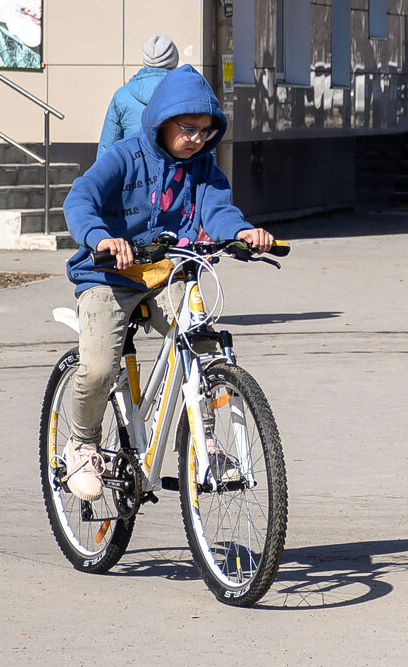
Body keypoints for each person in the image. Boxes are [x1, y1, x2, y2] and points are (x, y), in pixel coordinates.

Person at [61, 65, 275, 500]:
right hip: (107, 273)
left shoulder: (205, 170)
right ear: (162, 120)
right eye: (187, 127)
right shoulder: (124, 157)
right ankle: (81, 445)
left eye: (205, 130)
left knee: (203, 343)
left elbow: (219, 211)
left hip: (165, 273)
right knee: (101, 366)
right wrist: (101, 237)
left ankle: (204, 441)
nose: (196, 138)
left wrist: (241, 233)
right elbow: (79, 198)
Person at [97, 34, 180, 158]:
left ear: (145, 60)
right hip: (180, 174)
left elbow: (107, 149)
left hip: (134, 172)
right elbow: (205, 146)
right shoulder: (192, 94)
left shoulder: (122, 96)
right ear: (174, 60)